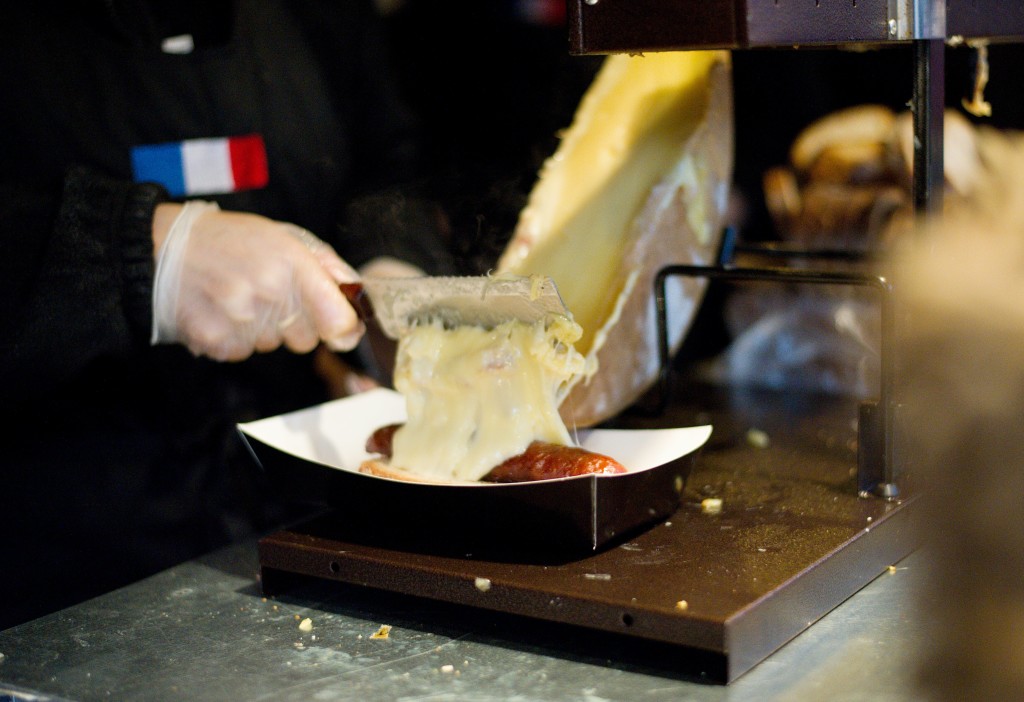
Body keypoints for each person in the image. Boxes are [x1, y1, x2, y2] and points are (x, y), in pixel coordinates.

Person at [0, 1, 454, 629]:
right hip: (52, 574)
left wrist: (389, 264)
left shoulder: (318, 17)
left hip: (298, 525)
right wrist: (144, 255)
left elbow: (381, 166)